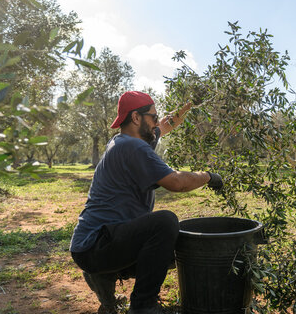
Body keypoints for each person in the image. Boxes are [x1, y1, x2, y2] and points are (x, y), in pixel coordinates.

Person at [69, 91, 223, 314]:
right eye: (152, 116)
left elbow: (163, 126)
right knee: (165, 224)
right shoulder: (133, 148)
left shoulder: (126, 141)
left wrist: (184, 110)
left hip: (88, 245)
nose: (156, 122)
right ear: (135, 118)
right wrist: (208, 176)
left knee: (166, 242)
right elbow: (177, 183)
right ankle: (143, 306)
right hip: (96, 246)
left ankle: (104, 283)